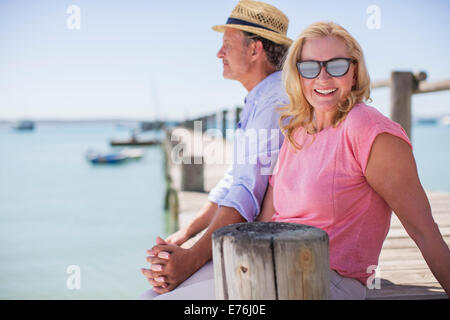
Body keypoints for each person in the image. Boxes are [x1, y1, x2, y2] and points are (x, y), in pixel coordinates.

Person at [257, 21, 450, 299]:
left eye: (336, 66)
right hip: (270, 266)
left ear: (355, 70)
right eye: (310, 67)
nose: (323, 78)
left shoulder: (366, 128)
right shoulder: (297, 129)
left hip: (326, 281)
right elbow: (267, 219)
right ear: (297, 74)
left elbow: (423, 230)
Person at [139, 0, 292, 299]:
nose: (219, 53)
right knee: (152, 294)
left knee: (153, 297)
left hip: (276, 251)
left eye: (226, 44)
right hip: (259, 240)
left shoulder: (275, 101)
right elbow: (234, 181)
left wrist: (190, 259)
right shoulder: (261, 97)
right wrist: (186, 233)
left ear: (255, 49)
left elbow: (245, 193)